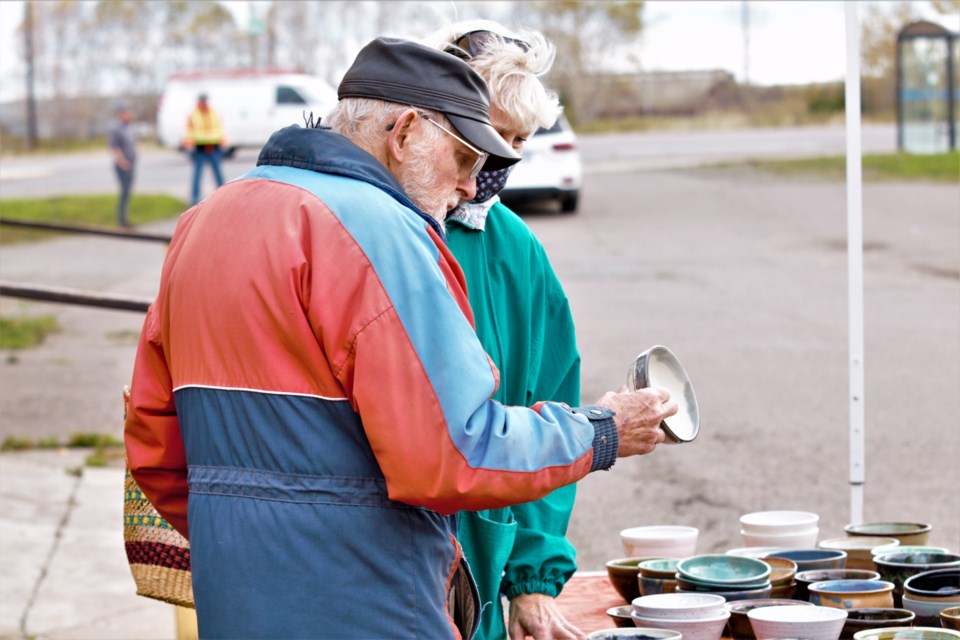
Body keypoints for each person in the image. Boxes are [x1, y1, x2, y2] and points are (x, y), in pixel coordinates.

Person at [125, 37, 676, 639]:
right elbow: (454, 454)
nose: (472, 187)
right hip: (370, 608)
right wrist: (602, 430)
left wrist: (254, 540)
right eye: (465, 161)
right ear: (406, 132)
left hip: (238, 604)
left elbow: (154, 447)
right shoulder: (383, 231)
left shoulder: (206, 219)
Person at [423, 21, 586, 640]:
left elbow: (551, 407)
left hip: (482, 582)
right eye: (492, 137)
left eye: (519, 141)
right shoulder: (373, 231)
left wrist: (532, 579)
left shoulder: (515, 251)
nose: (503, 160)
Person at [182, 93, 226, 205]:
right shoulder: (193, 115)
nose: (204, 103)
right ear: (199, 101)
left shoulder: (214, 113)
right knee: (197, 175)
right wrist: (188, 142)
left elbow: (219, 128)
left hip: (214, 146)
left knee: (218, 174)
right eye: (202, 101)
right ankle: (194, 200)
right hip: (199, 148)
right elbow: (189, 131)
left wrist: (222, 140)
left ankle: (224, 197)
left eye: (205, 101)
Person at [108, 103, 137, 227]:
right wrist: (122, 162)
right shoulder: (116, 128)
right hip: (123, 166)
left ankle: (124, 219)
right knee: (124, 193)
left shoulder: (127, 127)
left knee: (127, 193)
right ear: (121, 114)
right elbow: (115, 148)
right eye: (127, 113)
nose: (129, 115)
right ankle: (122, 221)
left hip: (130, 165)